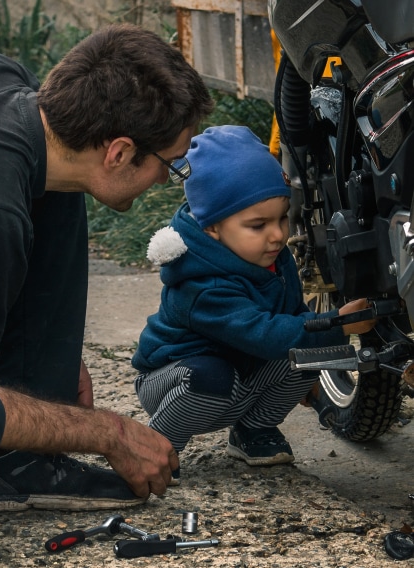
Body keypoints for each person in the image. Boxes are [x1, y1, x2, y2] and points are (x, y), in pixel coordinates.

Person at [0, 23, 213, 511]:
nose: (166, 180)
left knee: (60, 184)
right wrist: (106, 432)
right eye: (170, 166)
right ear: (120, 152)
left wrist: (51, 357)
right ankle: (4, 457)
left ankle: (18, 463)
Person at [132, 125, 376, 481]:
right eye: (258, 225)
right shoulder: (202, 284)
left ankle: (253, 430)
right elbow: (264, 334)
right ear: (212, 227)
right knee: (214, 373)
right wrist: (338, 324)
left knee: (310, 351)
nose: (278, 234)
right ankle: (159, 445)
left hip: (238, 377)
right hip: (175, 381)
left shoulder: (274, 259)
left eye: (281, 218)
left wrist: (307, 369)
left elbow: (294, 316)